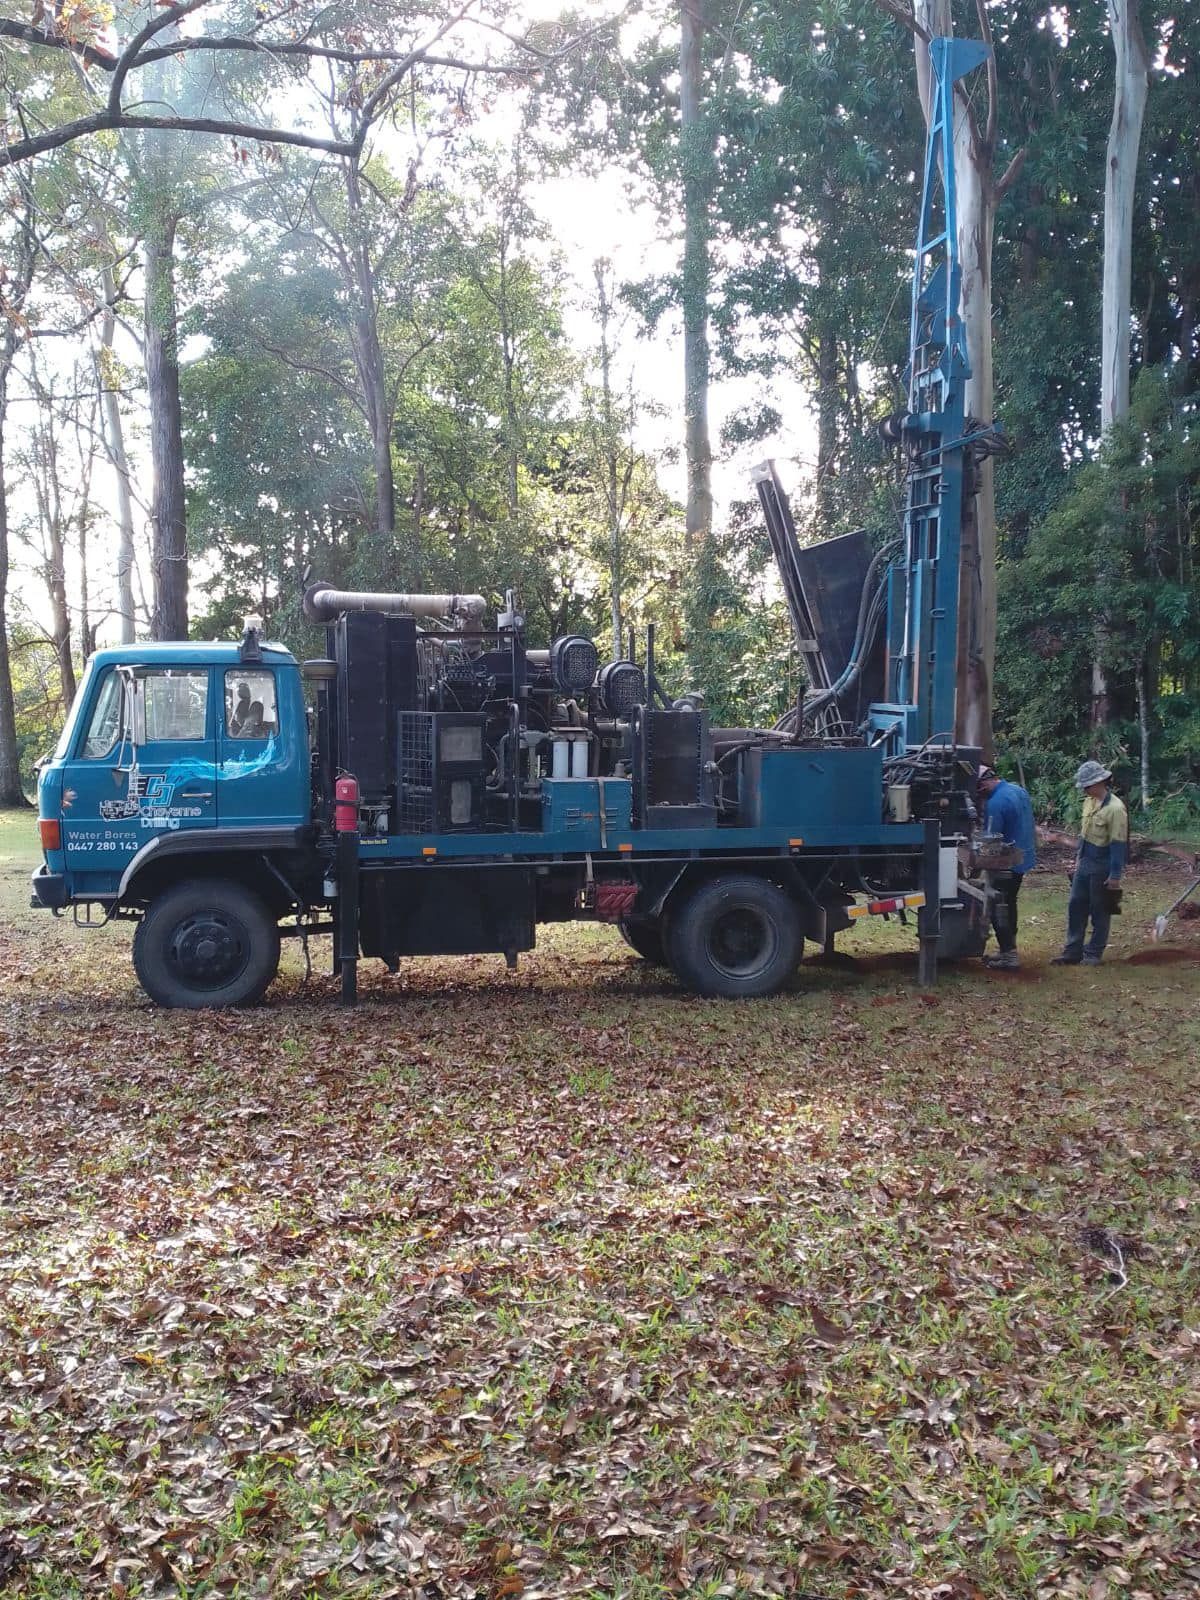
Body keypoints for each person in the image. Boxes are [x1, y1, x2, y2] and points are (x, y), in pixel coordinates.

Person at [1052, 760, 1128, 966]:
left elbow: (1118, 844)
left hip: (1103, 863)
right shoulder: (1089, 802)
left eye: (1088, 785)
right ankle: (1073, 951)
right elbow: (1084, 835)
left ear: (1101, 782)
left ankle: (1093, 953)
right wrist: (1078, 860)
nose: (1085, 789)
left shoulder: (1115, 809)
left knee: (1100, 909)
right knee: (1076, 905)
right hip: (1085, 861)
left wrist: (1115, 875)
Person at [977, 764, 1036, 970]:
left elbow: (991, 843)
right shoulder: (1018, 790)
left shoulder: (996, 803)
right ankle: (1007, 951)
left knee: (998, 907)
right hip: (1022, 858)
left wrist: (975, 857)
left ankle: (1009, 957)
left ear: (983, 785)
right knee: (1010, 903)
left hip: (1006, 864)